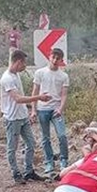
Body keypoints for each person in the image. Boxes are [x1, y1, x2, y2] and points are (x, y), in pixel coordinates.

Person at [1, 50, 50, 184]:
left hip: (22, 116)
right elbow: (17, 99)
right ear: (18, 62)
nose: (25, 67)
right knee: (12, 147)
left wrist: (28, 111)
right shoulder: (7, 78)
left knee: (31, 143)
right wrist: (39, 97)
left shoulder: (15, 75)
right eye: (24, 63)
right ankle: (16, 173)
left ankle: (28, 171)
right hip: (12, 118)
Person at [32, 47, 70, 177]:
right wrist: (33, 109)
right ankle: (48, 162)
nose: (55, 60)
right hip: (42, 108)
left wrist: (61, 108)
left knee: (62, 135)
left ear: (61, 61)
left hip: (55, 109)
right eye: (53, 57)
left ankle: (64, 160)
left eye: (58, 59)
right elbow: (35, 92)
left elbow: (64, 94)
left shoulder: (63, 76)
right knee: (45, 137)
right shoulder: (40, 73)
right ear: (49, 57)